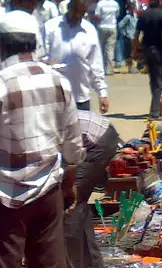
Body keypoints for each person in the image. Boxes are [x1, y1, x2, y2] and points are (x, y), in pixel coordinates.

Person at [0, 10, 84, 268]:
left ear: (2, 46)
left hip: (4, 199)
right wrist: (68, 184)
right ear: (34, 44)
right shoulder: (58, 81)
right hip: (48, 192)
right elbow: (73, 144)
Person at [65, 110, 121, 268]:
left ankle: (73, 263)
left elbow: (70, 158)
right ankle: (92, 264)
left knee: (70, 204)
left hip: (96, 140)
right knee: (79, 204)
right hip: (98, 133)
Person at [45, 0, 109, 113]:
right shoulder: (51, 28)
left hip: (80, 96)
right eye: (75, 12)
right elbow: (40, 57)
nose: (78, 16)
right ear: (69, 7)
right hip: (54, 97)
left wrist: (102, 93)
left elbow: (95, 64)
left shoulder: (89, 30)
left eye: (82, 13)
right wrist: (49, 65)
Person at [133, 0, 162, 118]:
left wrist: (136, 50)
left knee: (153, 79)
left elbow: (136, 35)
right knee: (159, 80)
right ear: (160, 2)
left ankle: (157, 107)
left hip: (146, 50)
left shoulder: (143, 15)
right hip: (158, 51)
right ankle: (155, 111)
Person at [91, 0, 120, 75]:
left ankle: (101, 68)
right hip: (112, 26)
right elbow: (117, 15)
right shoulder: (115, 3)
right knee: (110, 48)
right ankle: (109, 69)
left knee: (100, 48)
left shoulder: (100, 4)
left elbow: (97, 16)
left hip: (102, 27)